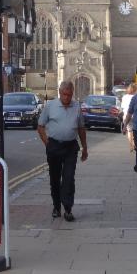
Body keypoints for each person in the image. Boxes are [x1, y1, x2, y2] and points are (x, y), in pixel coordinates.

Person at [37, 80, 88, 221]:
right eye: (64, 95)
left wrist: (85, 148)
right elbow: (40, 126)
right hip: (54, 146)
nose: (67, 98)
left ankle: (68, 209)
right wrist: (47, 143)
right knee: (55, 178)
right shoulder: (50, 106)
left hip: (71, 147)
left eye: (69, 95)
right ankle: (56, 207)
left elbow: (81, 129)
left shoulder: (76, 106)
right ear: (60, 93)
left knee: (69, 178)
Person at [120, 82, 137, 153]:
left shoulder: (124, 97)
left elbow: (123, 107)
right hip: (135, 115)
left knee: (129, 131)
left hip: (126, 116)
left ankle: (131, 146)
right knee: (135, 131)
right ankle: (134, 144)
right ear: (135, 90)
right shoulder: (136, 97)